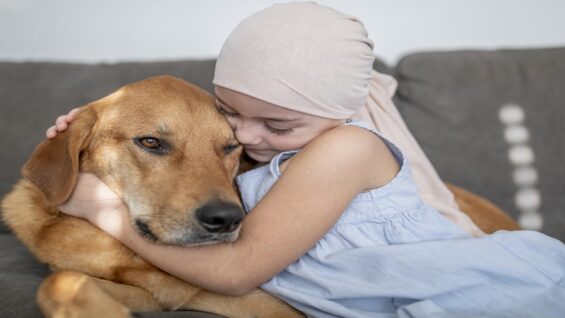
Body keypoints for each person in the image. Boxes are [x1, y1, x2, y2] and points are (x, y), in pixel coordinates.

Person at [46, 2, 565, 317]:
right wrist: (88, 134)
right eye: (229, 115)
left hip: (464, 296)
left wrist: (99, 210)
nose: (245, 137)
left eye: (276, 125)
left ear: (338, 115)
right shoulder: (264, 151)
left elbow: (237, 272)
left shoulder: (346, 149)